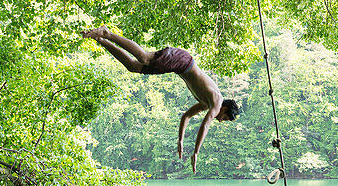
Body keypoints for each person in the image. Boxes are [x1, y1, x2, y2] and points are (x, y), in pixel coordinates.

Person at [83, 27, 240, 171]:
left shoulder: (206, 103)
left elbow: (186, 116)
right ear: (225, 109)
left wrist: (180, 140)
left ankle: (101, 40)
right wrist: (196, 152)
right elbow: (205, 125)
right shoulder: (217, 101)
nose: (220, 120)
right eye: (224, 118)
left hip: (178, 66)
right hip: (183, 61)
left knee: (134, 66)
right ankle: (107, 33)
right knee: (144, 58)